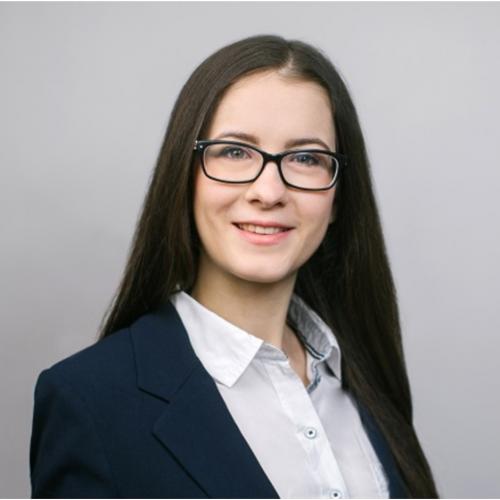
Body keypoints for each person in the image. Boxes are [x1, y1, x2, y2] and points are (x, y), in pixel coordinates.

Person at [29, 34, 438, 498]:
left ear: (338, 196)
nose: (269, 192)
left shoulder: (367, 378)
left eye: (306, 158)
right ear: (184, 176)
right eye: (235, 152)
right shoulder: (90, 401)